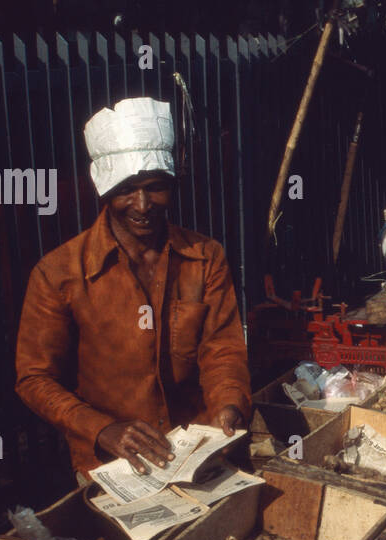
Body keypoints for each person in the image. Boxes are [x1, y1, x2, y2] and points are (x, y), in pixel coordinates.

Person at [16, 98, 251, 481]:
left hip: (195, 448)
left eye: (155, 188)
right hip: (111, 463)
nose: (142, 205)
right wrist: (101, 428)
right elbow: (34, 378)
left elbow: (221, 348)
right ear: (106, 189)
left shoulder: (204, 257)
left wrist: (228, 405)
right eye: (127, 189)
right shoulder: (59, 273)